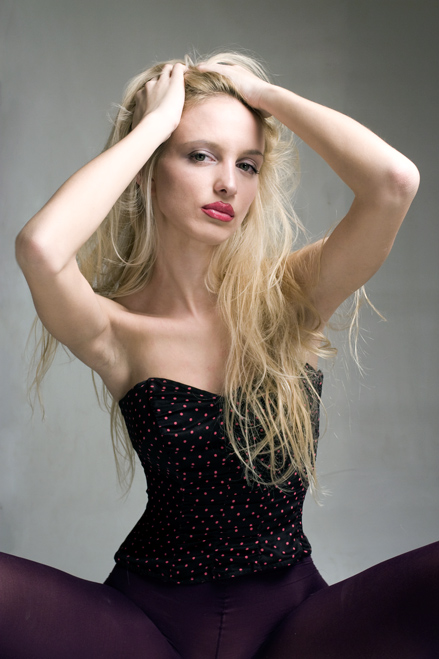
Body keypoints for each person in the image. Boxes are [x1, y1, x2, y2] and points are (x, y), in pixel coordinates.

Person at [2, 51, 438, 658]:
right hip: (148, 628)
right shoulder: (116, 328)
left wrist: (267, 97)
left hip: (294, 627)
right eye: (200, 155)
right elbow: (40, 248)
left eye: (248, 164)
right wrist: (154, 126)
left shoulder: (291, 297)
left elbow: (394, 183)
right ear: (150, 169)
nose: (229, 183)